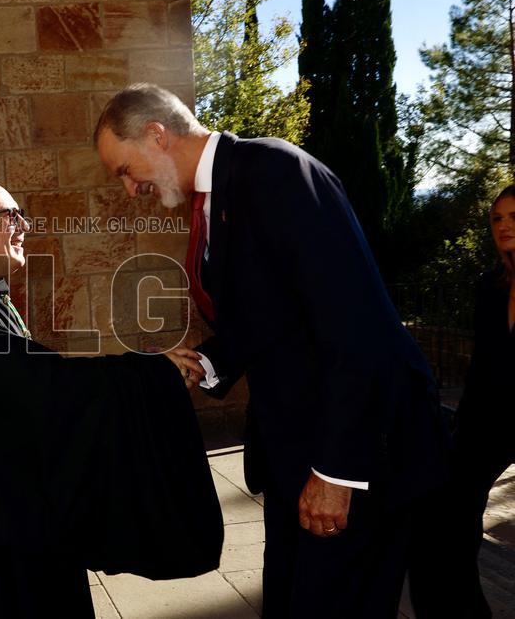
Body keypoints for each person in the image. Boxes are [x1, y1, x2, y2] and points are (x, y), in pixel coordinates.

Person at [93, 83, 448, 618]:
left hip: (352, 454)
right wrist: (207, 361)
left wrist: (336, 472)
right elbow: (273, 315)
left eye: (123, 168)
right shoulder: (217, 198)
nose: (128, 187)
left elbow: (357, 323)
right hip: (295, 456)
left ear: (155, 135)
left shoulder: (275, 172)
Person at [0, 179, 224, 618]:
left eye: (21, 216)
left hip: (0, 506)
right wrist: (150, 374)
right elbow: (38, 383)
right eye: (8, 216)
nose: (22, 226)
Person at [422, 185, 515, 617]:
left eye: (513, 216)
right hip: (489, 421)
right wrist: (463, 424)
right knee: (448, 516)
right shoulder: (489, 287)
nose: (504, 226)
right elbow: (483, 362)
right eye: (496, 218)